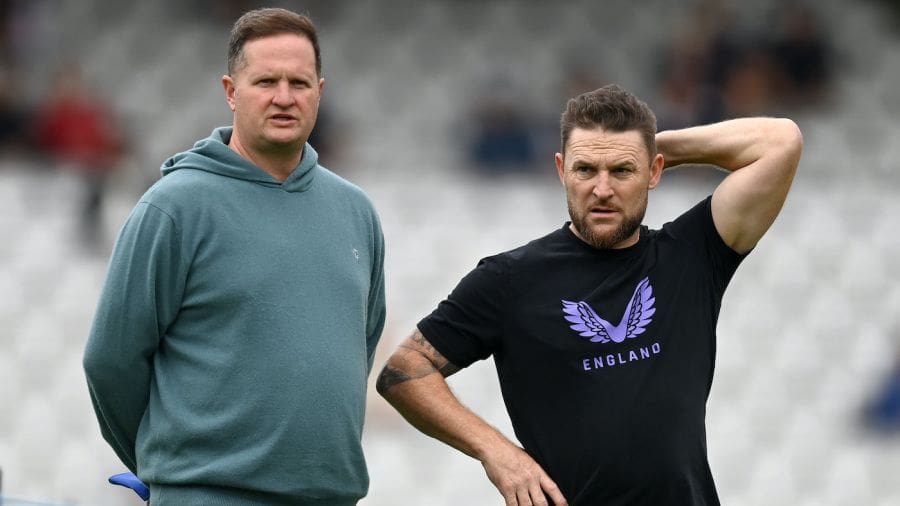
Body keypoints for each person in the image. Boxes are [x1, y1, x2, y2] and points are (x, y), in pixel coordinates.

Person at [377, 84, 802, 505]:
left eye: (622, 171)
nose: (602, 189)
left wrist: (655, 146)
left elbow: (781, 142)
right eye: (585, 170)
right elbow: (403, 372)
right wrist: (497, 453)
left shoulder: (692, 256)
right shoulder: (510, 278)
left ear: (654, 172)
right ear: (562, 170)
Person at [83, 8, 385, 505]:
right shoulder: (174, 206)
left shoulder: (355, 211)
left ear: (320, 92)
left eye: (299, 82)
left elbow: (361, 345)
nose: (284, 97)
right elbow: (110, 362)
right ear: (230, 91)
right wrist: (164, 468)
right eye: (266, 81)